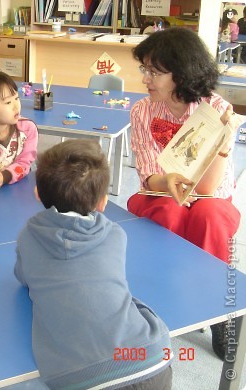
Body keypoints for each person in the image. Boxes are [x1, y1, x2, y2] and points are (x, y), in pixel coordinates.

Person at [14, 139, 172, 390]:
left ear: (37, 194)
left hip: (81, 379)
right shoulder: (116, 235)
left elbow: (23, 277)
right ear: (103, 202)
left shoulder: (28, 237)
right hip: (151, 360)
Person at [128, 27, 243, 360]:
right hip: (161, 192)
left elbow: (207, 189)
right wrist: (169, 183)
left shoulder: (215, 109)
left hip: (211, 197)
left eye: (154, 71)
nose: (145, 78)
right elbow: (149, 176)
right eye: (144, 69)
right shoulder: (142, 111)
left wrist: (221, 147)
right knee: (168, 213)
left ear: (180, 74)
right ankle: (159, 298)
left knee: (208, 219)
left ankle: (219, 311)